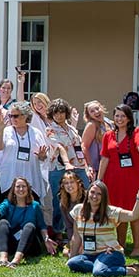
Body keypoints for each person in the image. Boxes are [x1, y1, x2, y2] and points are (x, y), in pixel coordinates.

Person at [98, 104, 139, 256]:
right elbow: (105, 158)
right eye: (117, 116)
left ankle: (136, 248)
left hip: (132, 180)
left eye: (123, 116)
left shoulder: (136, 131)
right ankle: (120, 245)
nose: (119, 119)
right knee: (119, 214)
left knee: (135, 214)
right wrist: (99, 179)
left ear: (129, 118)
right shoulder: (108, 135)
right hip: (113, 180)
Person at [66, 181, 139, 277]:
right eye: (92, 192)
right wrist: (72, 257)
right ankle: (103, 267)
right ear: (87, 193)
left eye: (99, 194)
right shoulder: (78, 210)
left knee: (99, 272)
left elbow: (134, 215)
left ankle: (132, 270)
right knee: (72, 263)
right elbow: (76, 236)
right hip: (89, 254)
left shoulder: (111, 212)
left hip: (110, 252)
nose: (94, 196)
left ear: (104, 197)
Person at [0, 177, 52, 268]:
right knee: (3, 222)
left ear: (28, 189)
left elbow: (42, 225)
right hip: (12, 243)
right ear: (13, 190)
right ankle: (3, 259)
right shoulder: (8, 203)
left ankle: (16, 260)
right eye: (18, 186)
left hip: (29, 245)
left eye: (23, 186)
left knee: (30, 225)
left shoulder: (35, 205)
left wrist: (46, 238)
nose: (21, 189)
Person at [45, 98, 91, 235]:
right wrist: (67, 163)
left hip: (78, 166)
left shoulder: (71, 129)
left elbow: (78, 149)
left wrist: (86, 167)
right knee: (59, 201)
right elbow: (59, 147)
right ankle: (57, 232)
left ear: (66, 113)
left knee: (86, 194)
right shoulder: (50, 130)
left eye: (61, 112)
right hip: (59, 169)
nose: (59, 115)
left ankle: (86, 226)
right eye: (55, 113)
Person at [0, 101, 49, 209]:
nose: (12, 119)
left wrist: (42, 156)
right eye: (10, 116)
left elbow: (43, 157)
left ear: (25, 116)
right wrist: (0, 130)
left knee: (30, 209)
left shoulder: (36, 133)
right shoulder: (6, 131)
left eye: (15, 116)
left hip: (31, 177)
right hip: (9, 178)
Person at [81, 100, 112, 179]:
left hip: (110, 164)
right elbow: (84, 146)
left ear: (101, 108)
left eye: (97, 108)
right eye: (92, 111)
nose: (96, 112)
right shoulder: (92, 125)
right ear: (89, 115)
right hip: (97, 167)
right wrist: (89, 165)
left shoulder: (108, 122)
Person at [58, 170, 86, 255]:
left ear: (78, 183)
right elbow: (69, 227)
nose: (69, 185)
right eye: (66, 183)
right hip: (75, 236)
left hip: (89, 234)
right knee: (65, 252)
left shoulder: (87, 198)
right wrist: (72, 242)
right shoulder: (63, 204)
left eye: (72, 182)